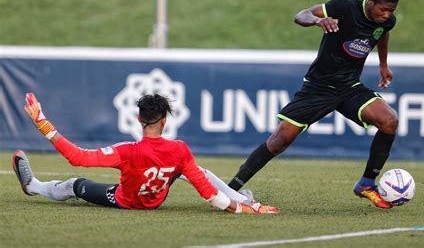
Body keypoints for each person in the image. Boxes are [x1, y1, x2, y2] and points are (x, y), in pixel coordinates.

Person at [228, 0, 400, 209]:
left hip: (349, 87)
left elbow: (382, 34)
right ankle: (229, 191)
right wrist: (319, 20)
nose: (387, 15)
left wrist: (383, 64)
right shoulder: (344, 6)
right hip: (319, 87)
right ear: (370, 2)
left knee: (389, 121)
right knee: (279, 141)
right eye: (383, 9)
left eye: (391, 11)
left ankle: (367, 183)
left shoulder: (386, 22)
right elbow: (301, 15)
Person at [13, 93, 279, 214]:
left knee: (75, 185)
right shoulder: (179, 150)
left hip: (126, 201)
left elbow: (78, 157)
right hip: (157, 196)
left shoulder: (127, 151)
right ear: (164, 120)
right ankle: (247, 200)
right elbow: (213, 198)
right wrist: (246, 208)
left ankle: (33, 186)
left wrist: (43, 124)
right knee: (197, 172)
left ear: (139, 119)